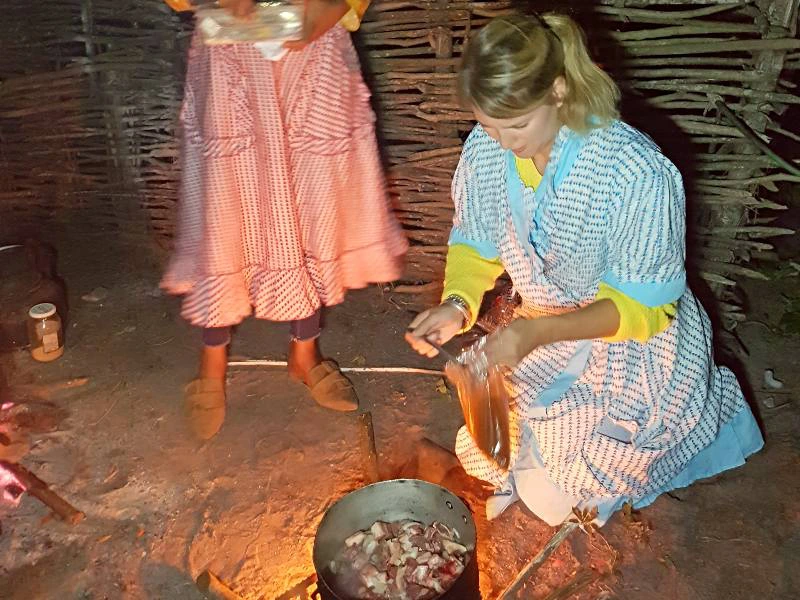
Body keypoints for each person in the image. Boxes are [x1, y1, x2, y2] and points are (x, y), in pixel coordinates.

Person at [405, 12, 763, 526]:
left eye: (517, 124)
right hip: (545, 329)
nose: (503, 142)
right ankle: (542, 454)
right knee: (493, 453)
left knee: (557, 495)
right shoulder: (488, 150)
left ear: (557, 90)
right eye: (488, 125)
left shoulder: (631, 169)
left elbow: (643, 310)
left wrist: (536, 333)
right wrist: (457, 304)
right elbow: (476, 242)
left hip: (631, 344)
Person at [162, 0, 408, 439]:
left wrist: (331, 8)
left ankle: (304, 354)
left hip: (315, 49)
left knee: (312, 204)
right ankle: (212, 362)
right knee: (224, 206)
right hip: (230, 55)